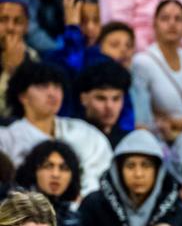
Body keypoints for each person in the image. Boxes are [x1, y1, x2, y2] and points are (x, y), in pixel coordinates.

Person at [79, 129, 182, 226]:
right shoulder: (95, 204)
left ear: (158, 171)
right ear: (118, 170)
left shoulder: (175, 208)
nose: (138, 174)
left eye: (146, 166)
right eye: (130, 166)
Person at [0, 62, 112, 196]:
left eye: (57, 86)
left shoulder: (83, 131)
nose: (52, 93)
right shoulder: (7, 138)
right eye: (43, 86)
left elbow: (102, 173)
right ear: (23, 96)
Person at [131, 0, 182, 142]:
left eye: (178, 19)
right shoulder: (142, 62)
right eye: (165, 18)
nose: (172, 23)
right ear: (154, 25)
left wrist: (179, 123)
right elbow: (141, 121)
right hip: (161, 140)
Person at [75, 59, 131, 148]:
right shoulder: (72, 137)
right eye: (101, 98)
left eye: (116, 99)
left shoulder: (129, 142)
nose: (109, 106)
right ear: (83, 99)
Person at [0, 0, 37, 110]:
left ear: (26, 27)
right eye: (3, 20)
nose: (10, 28)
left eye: (18, 21)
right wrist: (7, 72)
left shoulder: (33, 57)